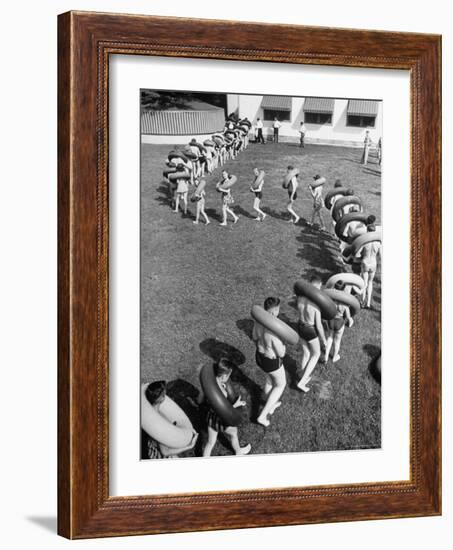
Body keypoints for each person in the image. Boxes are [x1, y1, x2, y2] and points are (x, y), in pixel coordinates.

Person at [201, 358, 251, 457]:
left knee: (210, 443)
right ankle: (238, 452)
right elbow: (224, 410)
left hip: (211, 419)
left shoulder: (209, 387)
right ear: (224, 376)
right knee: (233, 434)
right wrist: (237, 404)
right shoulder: (222, 392)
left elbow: (200, 399)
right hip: (222, 420)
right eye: (229, 375)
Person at [252, 297, 287, 427]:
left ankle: (270, 403)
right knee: (280, 385)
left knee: (268, 380)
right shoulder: (273, 332)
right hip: (271, 362)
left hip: (259, 357)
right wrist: (283, 346)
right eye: (278, 309)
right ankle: (262, 415)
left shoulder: (257, 323)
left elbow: (254, 338)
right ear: (274, 312)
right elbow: (281, 353)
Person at [144, 381, 198, 458]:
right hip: (156, 455)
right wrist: (189, 446)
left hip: (150, 446)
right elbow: (165, 452)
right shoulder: (159, 423)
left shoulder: (147, 410)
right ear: (162, 397)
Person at [296, 276, 327, 393]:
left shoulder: (299, 298)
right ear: (318, 286)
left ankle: (303, 375)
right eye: (319, 288)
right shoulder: (316, 305)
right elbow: (319, 326)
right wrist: (323, 339)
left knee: (306, 353)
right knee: (316, 354)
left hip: (300, 325)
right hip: (310, 330)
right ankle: (302, 382)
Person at [322, 281, 353, 364]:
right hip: (339, 322)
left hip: (331, 321)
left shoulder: (331, 300)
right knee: (337, 341)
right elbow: (348, 316)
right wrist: (350, 321)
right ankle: (334, 357)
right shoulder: (345, 304)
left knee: (330, 337)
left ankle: (326, 357)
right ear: (343, 290)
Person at [359, 224, 381, 308]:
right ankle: (368, 303)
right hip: (373, 263)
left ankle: (362, 301)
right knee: (370, 282)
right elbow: (381, 256)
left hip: (365, 262)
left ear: (367, 231)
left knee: (364, 282)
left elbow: (358, 253)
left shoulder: (364, 241)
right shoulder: (378, 243)